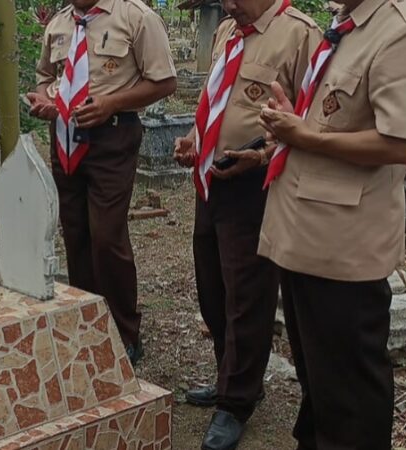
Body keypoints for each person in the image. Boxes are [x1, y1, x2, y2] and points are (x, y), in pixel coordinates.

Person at [258, 0, 406, 446]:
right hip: (303, 231)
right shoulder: (348, 24)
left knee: (350, 396)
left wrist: (306, 136)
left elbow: (402, 141)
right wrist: (293, 126)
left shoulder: (405, 26)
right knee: (319, 380)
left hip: (343, 246)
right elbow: (336, 118)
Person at [173, 0, 320, 447]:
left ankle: (237, 401)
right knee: (212, 290)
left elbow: (313, 123)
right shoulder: (227, 31)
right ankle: (230, 377)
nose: (227, 4)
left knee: (247, 296)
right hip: (212, 181)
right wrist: (194, 138)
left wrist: (261, 155)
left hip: (257, 184)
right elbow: (216, 100)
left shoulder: (300, 35)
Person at [27, 0, 176, 364]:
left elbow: (165, 81)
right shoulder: (61, 23)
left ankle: (124, 332)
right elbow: (46, 76)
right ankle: (87, 325)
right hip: (64, 138)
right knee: (76, 234)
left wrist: (112, 103)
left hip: (112, 137)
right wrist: (48, 99)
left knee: (107, 236)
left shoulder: (136, 17)